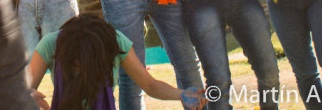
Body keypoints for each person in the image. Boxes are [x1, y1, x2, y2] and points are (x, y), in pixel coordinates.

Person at [27, 15, 207, 110]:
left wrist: (181, 94)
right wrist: (28, 96)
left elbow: (149, 84)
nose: (82, 71)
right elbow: (21, 89)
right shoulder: (51, 44)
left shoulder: (114, 42)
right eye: (76, 66)